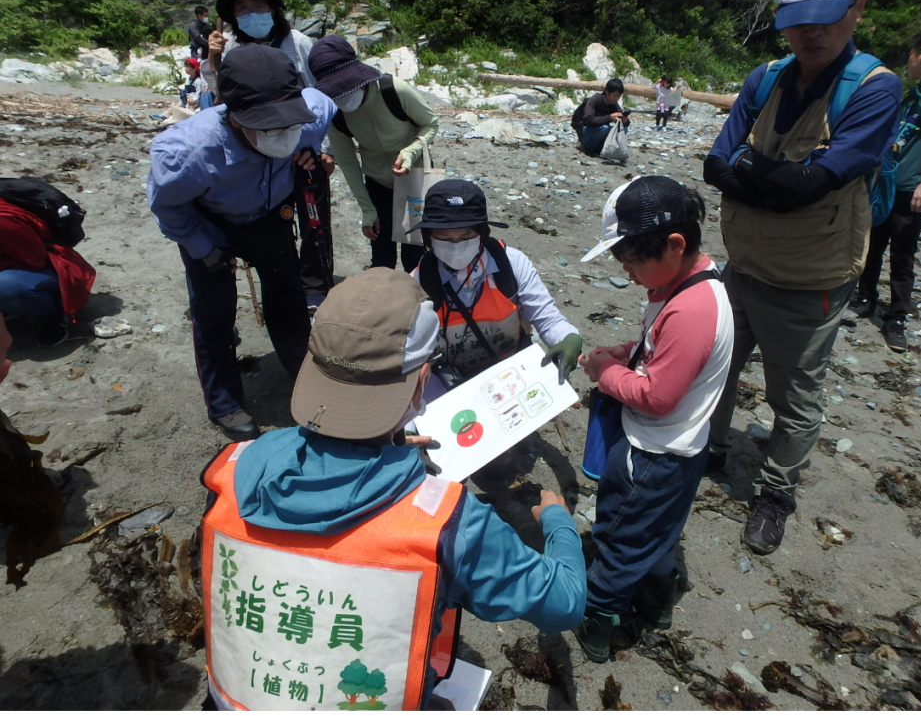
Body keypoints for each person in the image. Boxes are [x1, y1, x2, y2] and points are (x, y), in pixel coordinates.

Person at [199, 268, 586, 710]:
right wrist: (557, 521)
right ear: (422, 382)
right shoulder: (449, 524)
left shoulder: (231, 468)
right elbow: (565, 603)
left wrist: (383, 443)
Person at [702, 0, 901, 555]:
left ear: (858, 7)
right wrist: (776, 179)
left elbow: (811, 185)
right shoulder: (765, 78)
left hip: (810, 279)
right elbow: (717, 165)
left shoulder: (873, 89)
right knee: (716, 368)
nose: (812, 32)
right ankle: (706, 450)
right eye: (799, 19)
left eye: (828, 16)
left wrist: (753, 169)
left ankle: (776, 493)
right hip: (742, 267)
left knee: (795, 399)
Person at [571, 177, 733, 662]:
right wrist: (627, 351)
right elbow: (664, 353)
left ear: (675, 244)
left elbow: (657, 396)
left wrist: (605, 372)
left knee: (619, 538)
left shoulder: (691, 309)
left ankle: (597, 618)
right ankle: (658, 599)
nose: (628, 271)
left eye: (632, 260)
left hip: (651, 453)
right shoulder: (691, 281)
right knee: (660, 534)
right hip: (685, 449)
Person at [147, 44, 335, 442]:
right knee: (214, 313)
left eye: (290, 125)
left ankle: (304, 373)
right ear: (232, 116)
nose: (283, 136)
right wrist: (204, 248)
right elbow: (168, 208)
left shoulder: (314, 111)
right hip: (210, 224)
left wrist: (315, 152)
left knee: (287, 299)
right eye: (268, 128)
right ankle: (224, 402)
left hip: (270, 217)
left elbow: (325, 117)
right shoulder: (187, 153)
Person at [209, 0, 336, 310]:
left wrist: (325, 148)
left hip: (304, 151)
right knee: (274, 224)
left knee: (313, 220)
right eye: (242, 8)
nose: (252, 14)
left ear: (274, 9)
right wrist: (213, 63)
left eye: (259, 6)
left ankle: (316, 286)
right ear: (234, 16)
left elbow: (322, 96)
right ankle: (286, 283)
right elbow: (222, 103)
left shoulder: (298, 43)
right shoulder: (230, 50)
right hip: (260, 152)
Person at [846, 27, 921, 352]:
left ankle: (896, 317)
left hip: (912, 187)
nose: (909, 60)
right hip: (886, 181)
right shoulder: (917, 92)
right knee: (872, 243)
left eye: (913, 54)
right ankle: (865, 297)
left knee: (902, 254)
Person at [406, 180, 582, 397]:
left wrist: (568, 339)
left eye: (466, 237)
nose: (455, 246)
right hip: (446, 382)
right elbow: (412, 355)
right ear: (429, 240)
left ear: (482, 234)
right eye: (443, 239)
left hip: (509, 373)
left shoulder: (512, 264)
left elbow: (549, 319)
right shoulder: (417, 283)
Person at [309, 35, 439, 273]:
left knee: (415, 254)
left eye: (345, 87)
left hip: (414, 177)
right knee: (381, 256)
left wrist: (410, 152)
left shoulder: (392, 89)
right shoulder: (335, 115)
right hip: (377, 181)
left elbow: (430, 124)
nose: (343, 97)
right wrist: (367, 209)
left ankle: (421, 305)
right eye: (335, 92)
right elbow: (348, 164)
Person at [0, 196, 95, 346]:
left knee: (6, 288)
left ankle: (54, 314)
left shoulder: (3, 221)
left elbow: (36, 259)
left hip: (49, 265)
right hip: (15, 266)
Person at [578, 78, 629, 156]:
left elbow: (624, 124)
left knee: (624, 129)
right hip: (586, 132)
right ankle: (589, 148)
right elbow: (588, 120)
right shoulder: (595, 99)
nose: (617, 99)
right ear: (607, 92)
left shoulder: (614, 105)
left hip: (598, 133)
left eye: (619, 96)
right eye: (615, 96)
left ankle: (600, 148)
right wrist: (610, 117)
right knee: (604, 127)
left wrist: (624, 121)